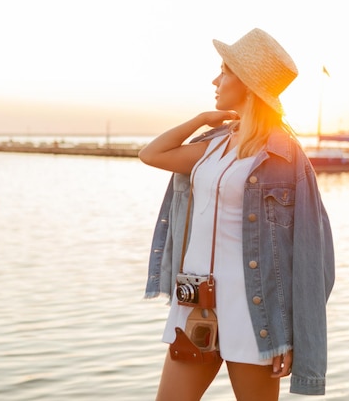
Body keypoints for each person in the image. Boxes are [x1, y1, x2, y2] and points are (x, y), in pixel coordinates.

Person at [139, 28, 335, 400]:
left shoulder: (285, 159)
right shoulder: (212, 146)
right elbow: (152, 154)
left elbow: (313, 256)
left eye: (224, 72)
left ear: (246, 84)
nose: (216, 80)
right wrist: (199, 119)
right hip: (195, 303)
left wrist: (291, 336)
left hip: (254, 315)